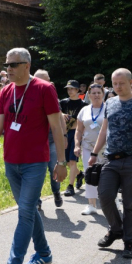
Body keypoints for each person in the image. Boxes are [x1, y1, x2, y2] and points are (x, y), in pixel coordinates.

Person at [0, 48, 67, 264]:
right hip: (11, 162)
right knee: (28, 211)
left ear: (27, 65)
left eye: (14, 64)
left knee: (25, 212)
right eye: (7, 64)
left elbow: (57, 127)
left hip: (35, 162)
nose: (9, 69)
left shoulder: (45, 89)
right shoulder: (5, 92)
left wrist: (63, 162)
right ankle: (44, 253)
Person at [88, 68, 132, 258]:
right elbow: (103, 131)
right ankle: (116, 229)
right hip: (111, 160)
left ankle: (129, 242)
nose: (117, 87)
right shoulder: (110, 103)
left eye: (121, 83)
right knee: (105, 196)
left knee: (130, 203)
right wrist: (94, 153)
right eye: (114, 84)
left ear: (130, 82)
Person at [34, 69, 67, 209]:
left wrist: (64, 136)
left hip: (52, 141)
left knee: (55, 168)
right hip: (36, 143)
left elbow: (60, 118)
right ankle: (37, 200)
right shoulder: (29, 97)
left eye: (46, 80)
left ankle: (56, 191)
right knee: (36, 172)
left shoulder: (52, 96)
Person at [74, 84, 106, 215]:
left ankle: (112, 201)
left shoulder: (108, 109)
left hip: (106, 148)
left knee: (107, 175)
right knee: (90, 174)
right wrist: (77, 144)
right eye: (93, 93)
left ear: (103, 94)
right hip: (87, 147)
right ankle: (91, 205)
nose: (96, 95)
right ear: (89, 95)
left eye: (99, 92)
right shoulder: (84, 110)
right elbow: (79, 130)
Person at [60, 80, 87, 196]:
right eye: (68, 89)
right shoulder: (63, 102)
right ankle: (80, 174)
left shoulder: (84, 105)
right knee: (67, 163)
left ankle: (70, 187)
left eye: (72, 88)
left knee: (72, 160)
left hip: (76, 133)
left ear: (77, 90)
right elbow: (56, 113)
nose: (69, 91)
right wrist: (61, 115)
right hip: (64, 134)